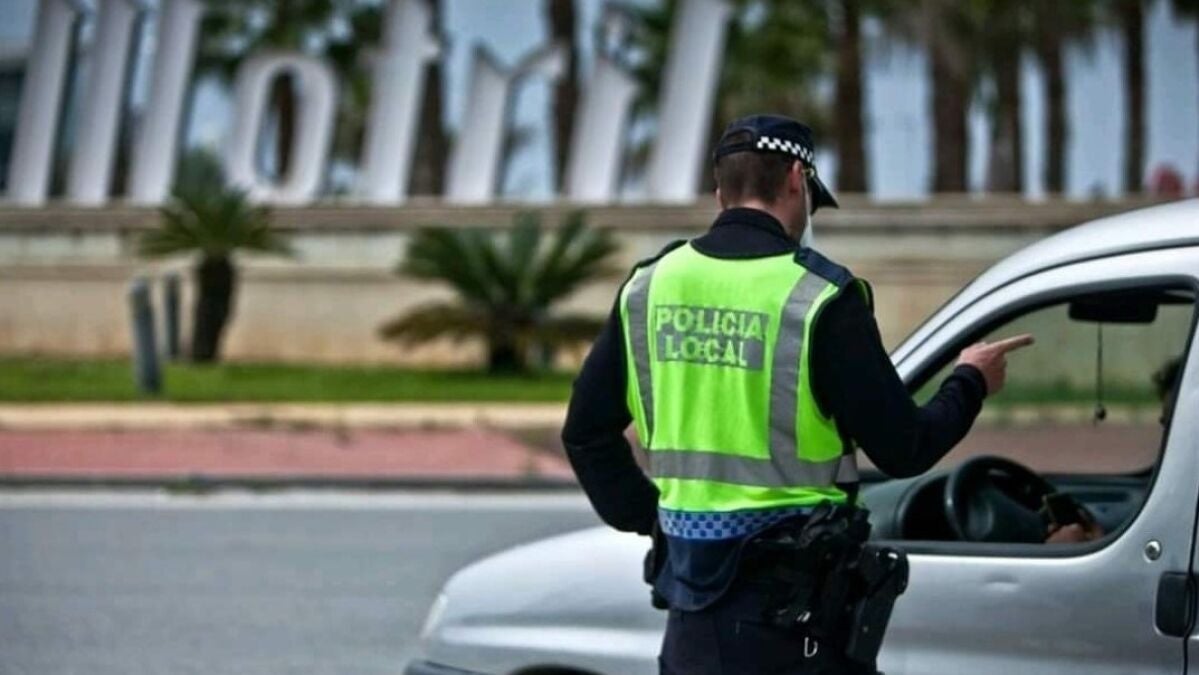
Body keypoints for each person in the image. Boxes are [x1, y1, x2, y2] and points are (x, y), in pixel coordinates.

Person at [561, 114, 1033, 675]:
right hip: (791, 626)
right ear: (795, 179)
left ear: (720, 190)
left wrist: (655, 521)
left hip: (690, 615)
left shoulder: (649, 286)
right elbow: (905, 448)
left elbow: (585, 433)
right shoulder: (820, 296)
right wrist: (970, 380)